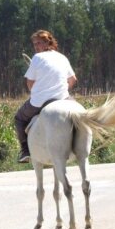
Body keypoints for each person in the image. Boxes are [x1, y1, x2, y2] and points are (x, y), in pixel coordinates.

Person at [15, 29, 77, 163]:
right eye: (34, 44)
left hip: (40, 101)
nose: (36, 46)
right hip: (63, 98)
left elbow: (29, 82)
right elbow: (72, 80)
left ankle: (25, 151)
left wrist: (36, 91)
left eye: (38, 43)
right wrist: (61, 89)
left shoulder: (37, 58)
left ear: (47, 42)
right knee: (81, 114)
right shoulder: (62, 57)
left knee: (19, 118)